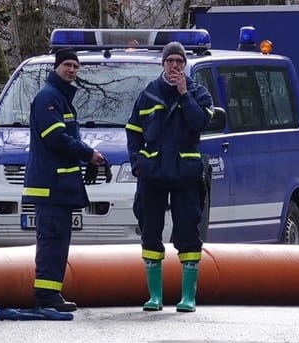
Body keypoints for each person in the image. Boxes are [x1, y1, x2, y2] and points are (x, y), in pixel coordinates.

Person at [125, 40, 223, 312]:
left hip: (185, 174)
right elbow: (133, 130)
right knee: (150, 230)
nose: (176, 66)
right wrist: (138, 162)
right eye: (171, 61)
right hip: (153, 174)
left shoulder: (199, 93)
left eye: (180, 62)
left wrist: (184, 94)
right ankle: (155, 297)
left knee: (188, 230)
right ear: (163, 64)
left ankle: (187, 297)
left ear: (185, 65)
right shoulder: (148, 94)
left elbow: (199, 122)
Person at [24, 47, 106, 312]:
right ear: (56, 68)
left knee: (57, 242)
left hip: (59, 187)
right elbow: (55, 138)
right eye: (66, 65)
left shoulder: (60, 97)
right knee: (52, 241)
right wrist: (88, 154)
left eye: (75, 66)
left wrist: (87, 158)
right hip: (50, 187)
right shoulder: (49, 98)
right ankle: (46, 297)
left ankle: (51, 294)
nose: (71, 70)